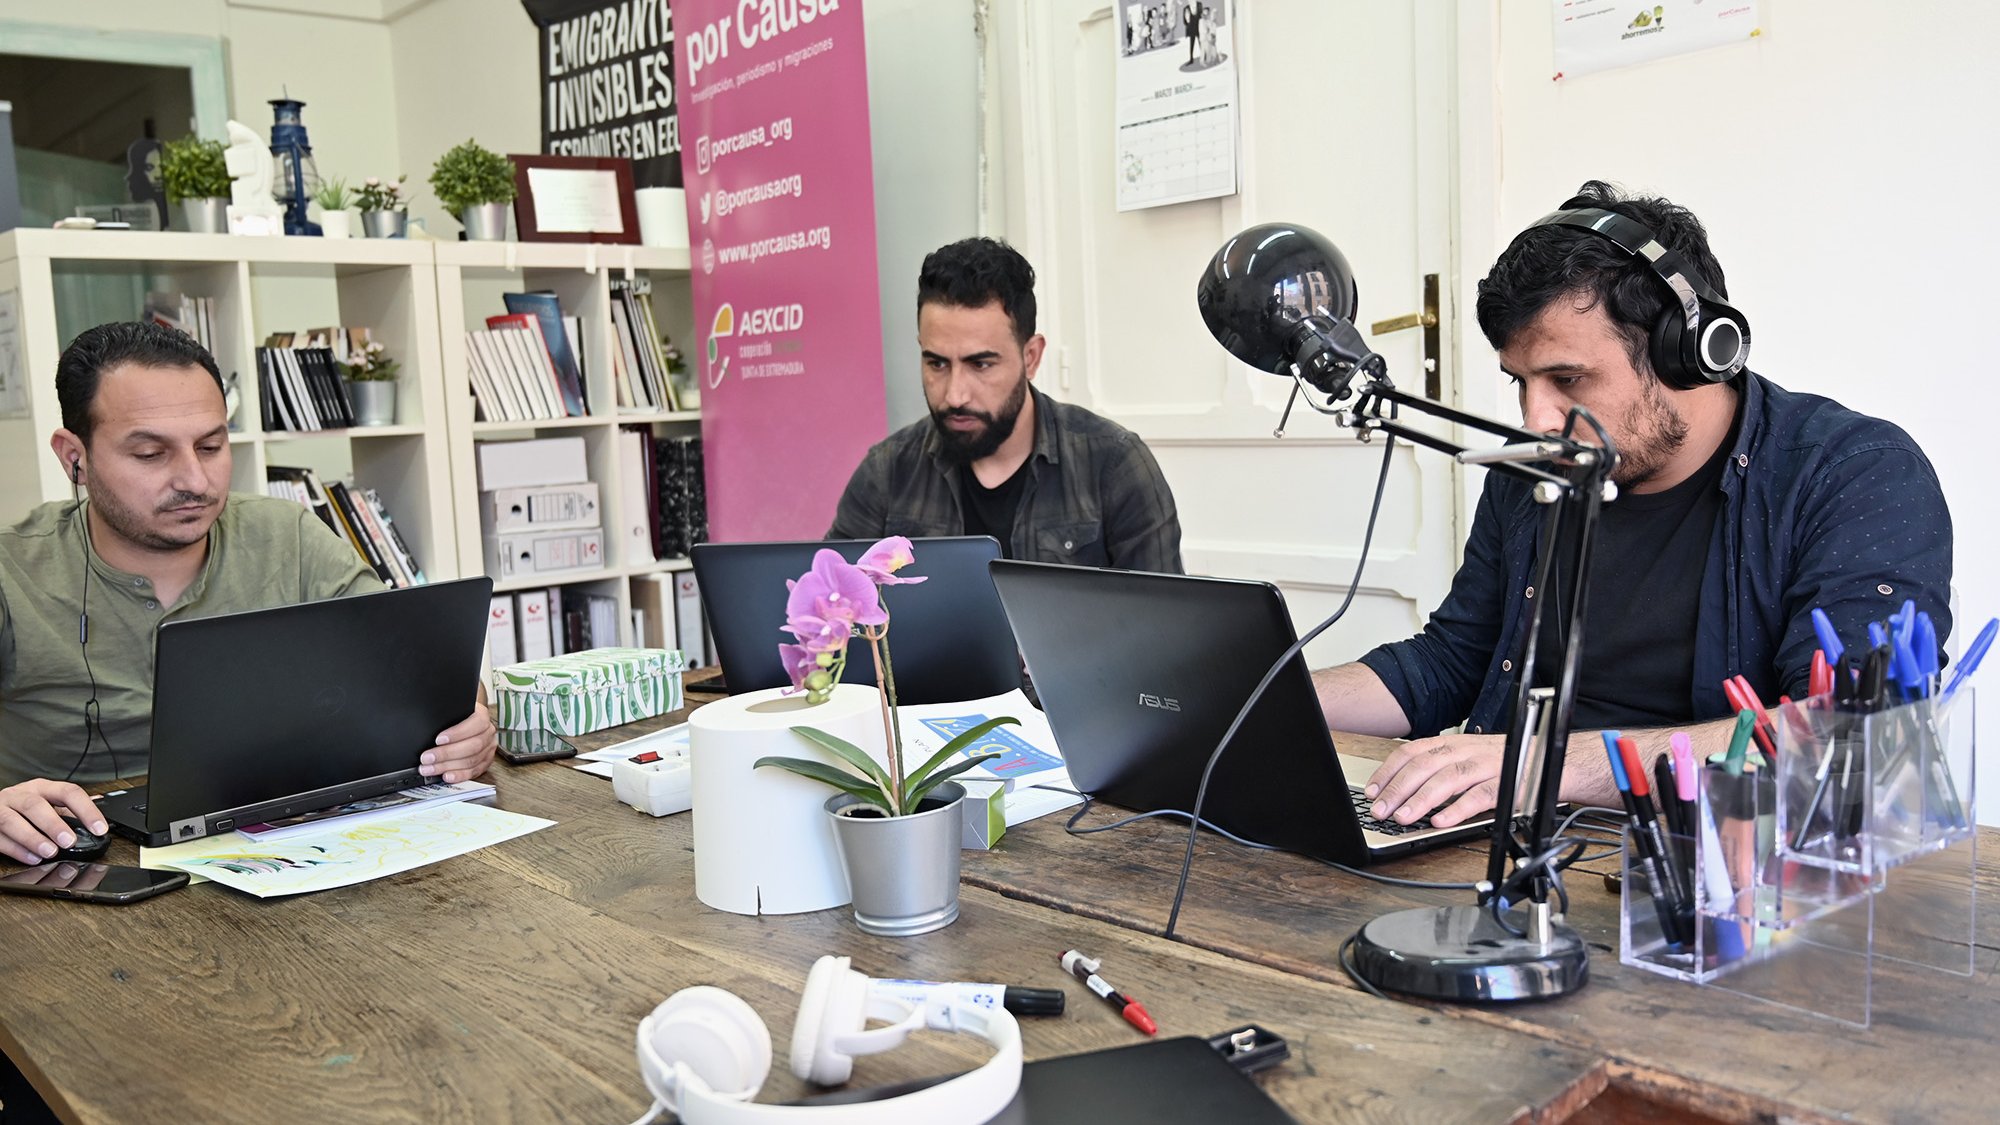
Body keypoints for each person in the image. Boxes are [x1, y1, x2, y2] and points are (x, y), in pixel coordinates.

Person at [1313, 180, 1952, 829]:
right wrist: (1264, 701)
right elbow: (1448, 661)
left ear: (1688, 351)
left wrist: (1547, 765)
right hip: (1509, 834)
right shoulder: (1536, 468)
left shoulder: (1853, 475)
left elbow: (1853, 737)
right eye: (1520, 382)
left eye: (1567, 379)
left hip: (1713, 867)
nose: (1537, 418)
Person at [0, 321, 496, 866]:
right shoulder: (12, 570)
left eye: (211, 445)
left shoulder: (289, 536)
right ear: (75, 456)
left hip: (284, 842)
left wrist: (465, 730)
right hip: (77, 869)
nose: (195, 479)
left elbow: (429, 681)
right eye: (150, 454)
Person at [828, 237, 1183, 573]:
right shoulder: (887, 473)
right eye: (936, 363)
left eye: (980, 365)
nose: (955, 396)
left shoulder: (1113, 465)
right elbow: (823, 612)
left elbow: (1167, 626)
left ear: (1031, 357)